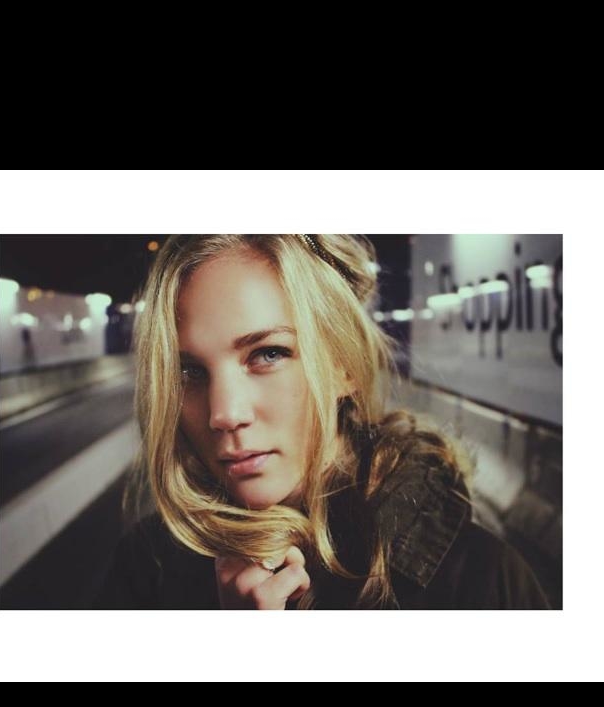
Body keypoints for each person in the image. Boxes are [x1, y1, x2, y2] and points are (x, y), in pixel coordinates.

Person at [96, 234, 550, 610]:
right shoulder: (147, 570)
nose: (225, 414)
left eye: (268, 354)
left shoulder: (480, 583)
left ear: (343, 364)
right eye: (189, 372)